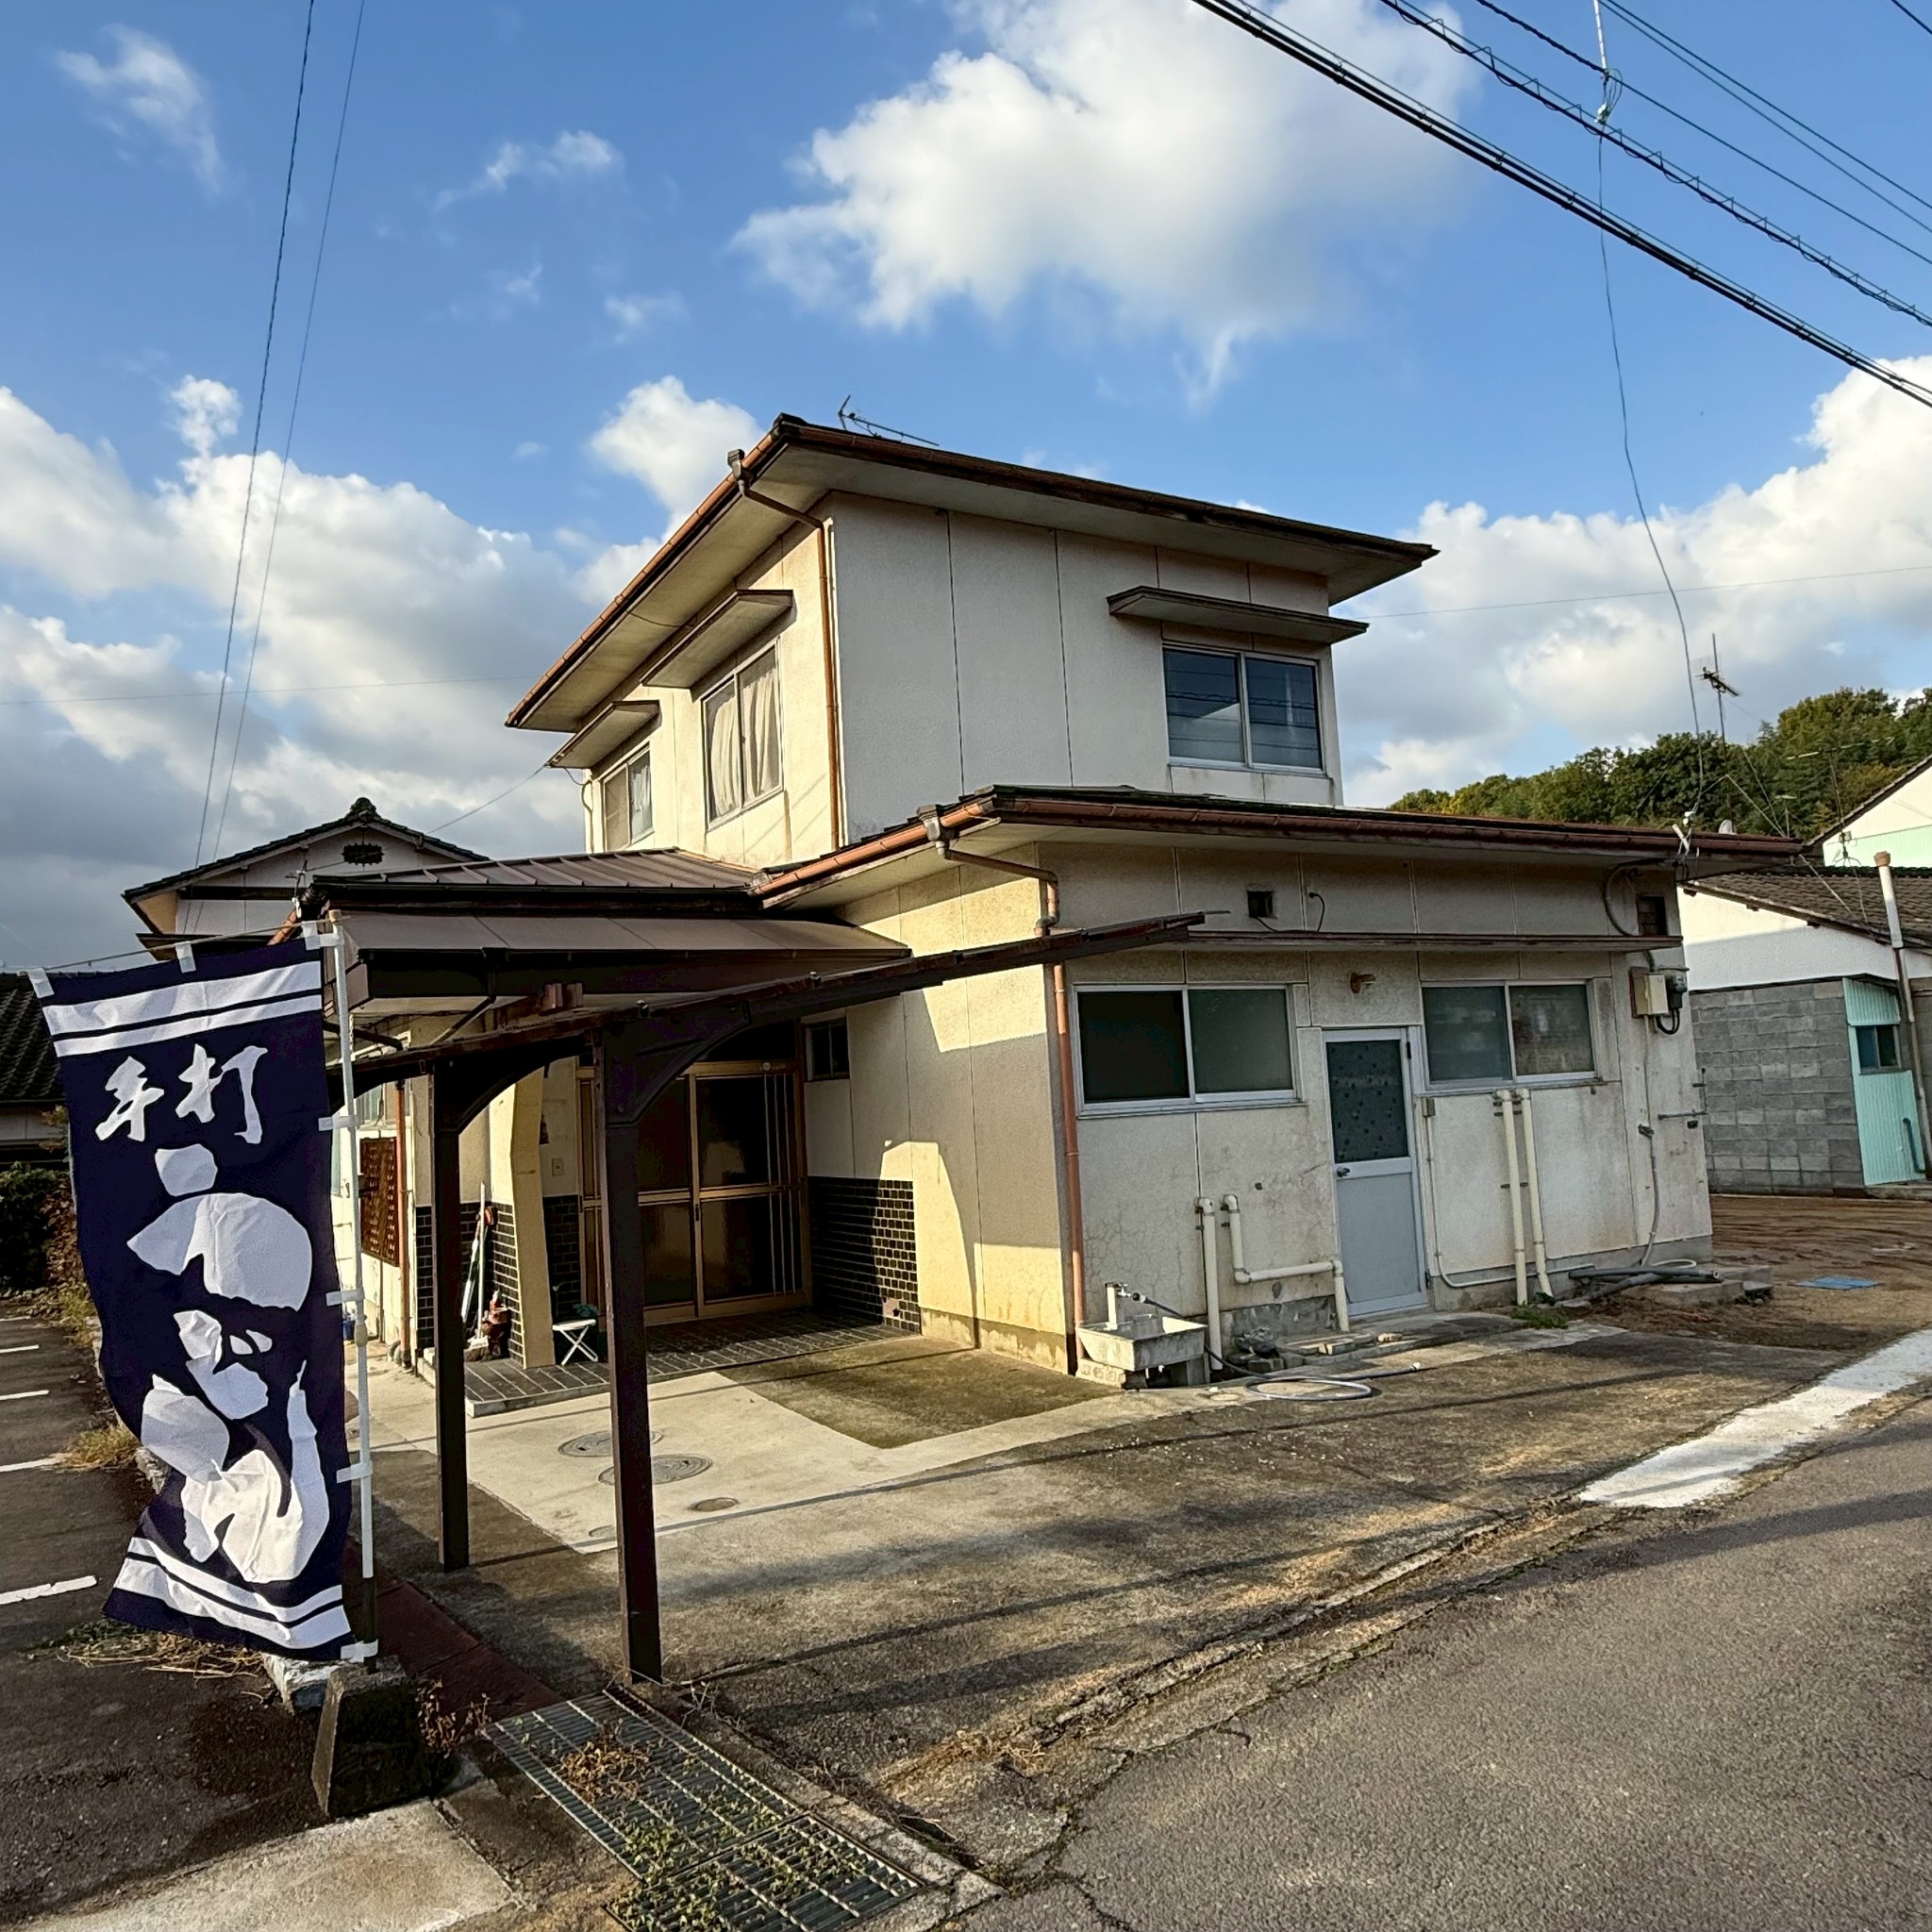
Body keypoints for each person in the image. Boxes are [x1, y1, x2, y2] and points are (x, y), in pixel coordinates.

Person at [480, 1291, 514, 1359]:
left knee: (495, 1338)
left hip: (496, 1327)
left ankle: (496, 1351)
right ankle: (494, 1351)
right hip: (495, 1327)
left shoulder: (496, 1324)